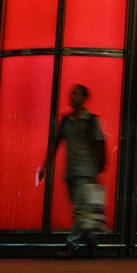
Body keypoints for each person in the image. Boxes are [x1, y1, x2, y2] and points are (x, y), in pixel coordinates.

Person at [42, 83, 106, 258]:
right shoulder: (65, 121)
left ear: (85, 99)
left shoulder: (92, 120)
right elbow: (55, 144)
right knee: (80, 211)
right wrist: (45, 165)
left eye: (76, 94)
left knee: (79, 211)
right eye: (71, 94)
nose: (72, 97)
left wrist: (98, 170)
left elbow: (99, 145)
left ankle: (72, 245)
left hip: (86, 172)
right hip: (70, 172)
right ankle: (91, 241)